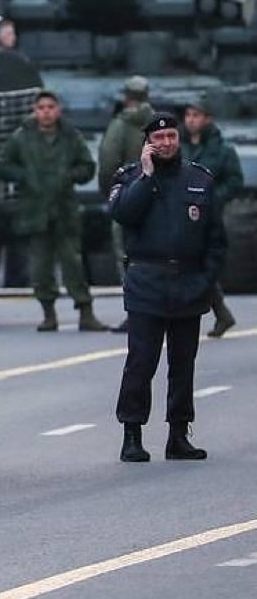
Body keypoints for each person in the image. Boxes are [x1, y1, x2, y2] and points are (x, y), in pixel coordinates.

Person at [109, 113, 226, 462]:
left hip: (188, 283)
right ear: (147, 142)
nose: (165, 143)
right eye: (158, 138)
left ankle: (179, 433)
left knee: (182, 364)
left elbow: (216, 239)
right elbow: (123, 214)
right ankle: (132, 433)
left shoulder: (199, 179)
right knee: (141, 362)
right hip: (147, 281)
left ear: (179, 139)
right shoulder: (130, 178)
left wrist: (206, 281)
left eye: (171, 136)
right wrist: (145, 177)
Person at [0, 90, 109, 331]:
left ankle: (85, 311)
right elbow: (3, 164)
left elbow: (87, 166)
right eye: (41, 108)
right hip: (35, 209)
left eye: (50, 107)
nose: (46, 112)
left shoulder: (70, 137)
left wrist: (70, 176)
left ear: (58, 111)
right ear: (35, 112)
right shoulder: (22, 137)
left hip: (64, 208)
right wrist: (24, 177)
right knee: (40, 266)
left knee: (73, 263)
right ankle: (49, 313)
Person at [180, 98, 243, 338]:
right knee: (191, 263)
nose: (191, 120)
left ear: (208, 119)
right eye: (188, 115)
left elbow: (234, 181)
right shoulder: (180, 147)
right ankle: (222, 313)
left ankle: (220, 313)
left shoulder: (222, 150)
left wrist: (213, 198)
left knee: (202, 264)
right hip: (182, 212)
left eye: (196, 115)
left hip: (210, 215)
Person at [97, 75, 154, 334]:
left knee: (126, 255)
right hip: (157, 195)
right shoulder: (159, 122)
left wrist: (110, 192)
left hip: (128, 194)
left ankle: (136, 313)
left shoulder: (120, 125)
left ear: (127, 97)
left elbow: (109, 160)